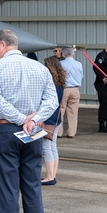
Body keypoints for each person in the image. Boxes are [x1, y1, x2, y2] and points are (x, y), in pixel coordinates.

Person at [0, 29, 59, 213]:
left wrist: (19, 119)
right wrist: (33, 121)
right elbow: (52, 102)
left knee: (7, 190)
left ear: (4, 44)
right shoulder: (40, 68)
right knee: (33, 188)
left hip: (7, 130)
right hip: (33, 133)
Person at [41, 57, 65, 186]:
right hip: (57, 117)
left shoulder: (51, 83)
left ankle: (50, 176)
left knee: (46, 147)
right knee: (53, 146)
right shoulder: (60, 82)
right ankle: (52, 174)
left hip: (49, 117)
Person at [57, 46, 84, 138]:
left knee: (61, 110)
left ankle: (59, 132)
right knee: (73, 112)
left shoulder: (60, 63)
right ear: (73, 54)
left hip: (64, 88)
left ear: (64, 54)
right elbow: (81, 76)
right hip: (75, 88)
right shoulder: (79, 64)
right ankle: (71, 132)